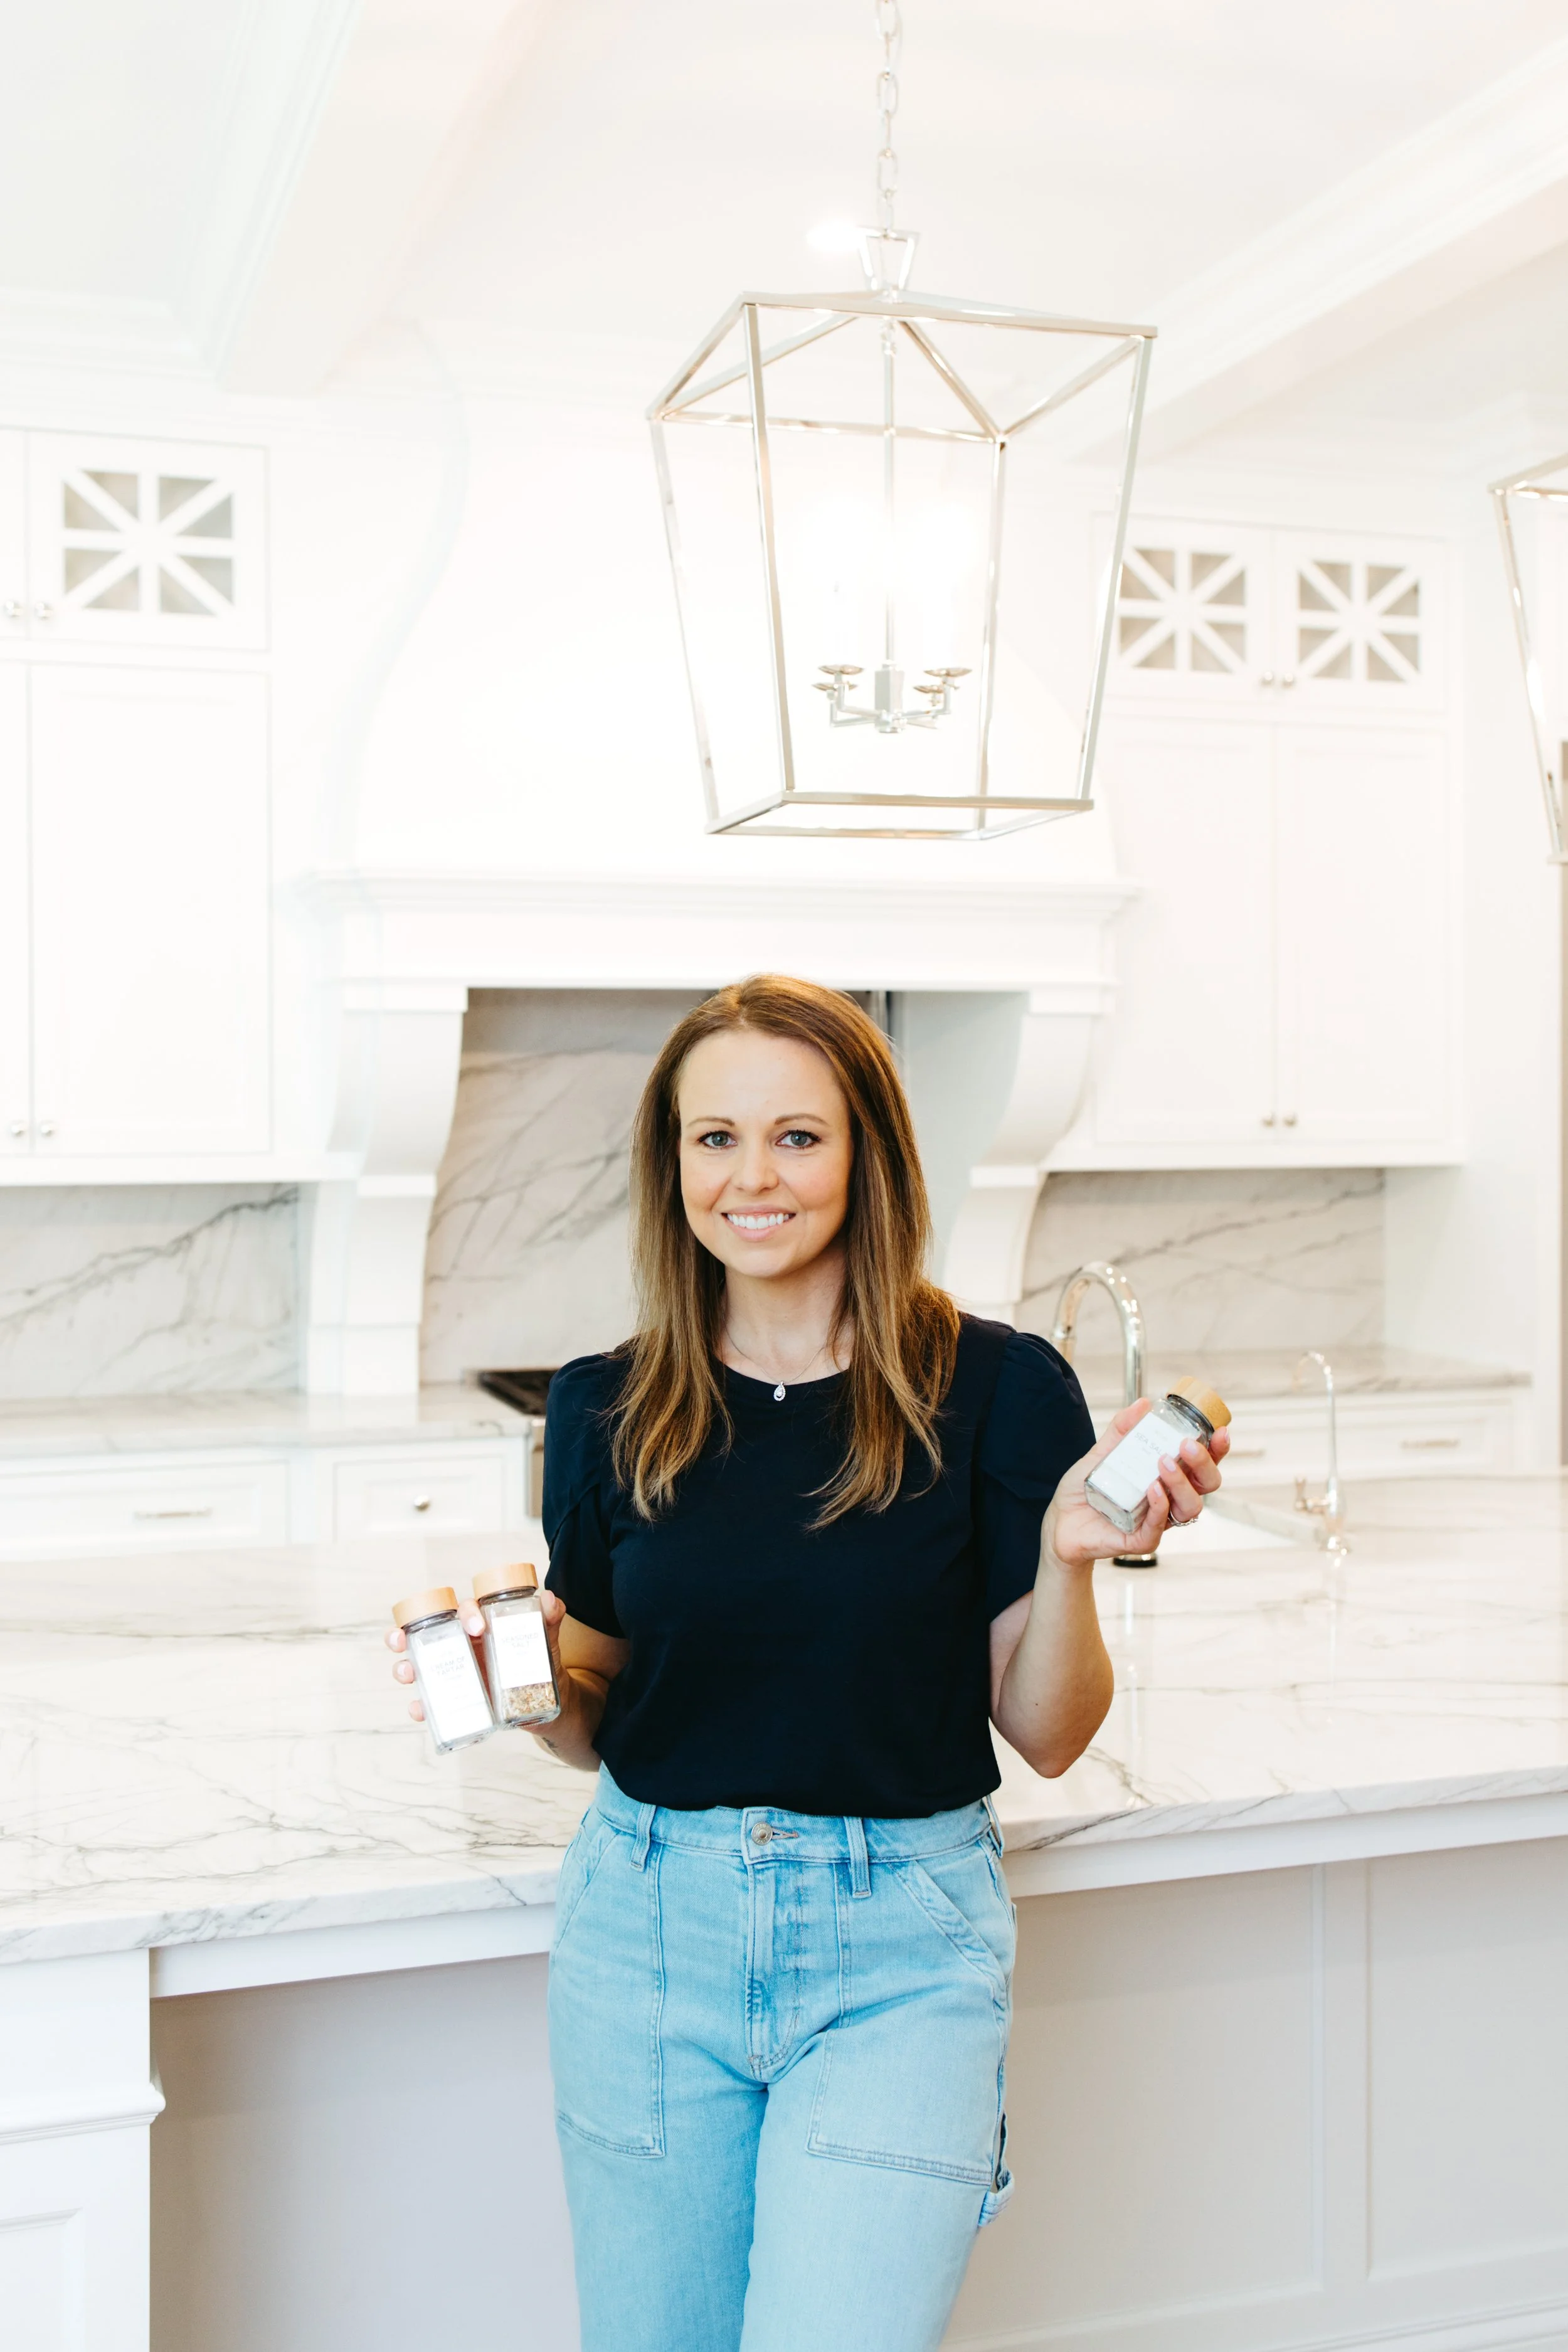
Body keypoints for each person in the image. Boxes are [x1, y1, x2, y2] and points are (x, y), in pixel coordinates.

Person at [389, 974, 1226, 2352]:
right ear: (672, 1167)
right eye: (711, 1137)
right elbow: (600, 1712)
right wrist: (522, 1680)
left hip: (902, 1947)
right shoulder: (607, 1405)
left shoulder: (996, 1390)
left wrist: (1068, 1558)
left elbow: (1050, 1731)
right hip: (645, 1933)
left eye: (795, 1135)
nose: (749, 1177)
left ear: (866, 1156)